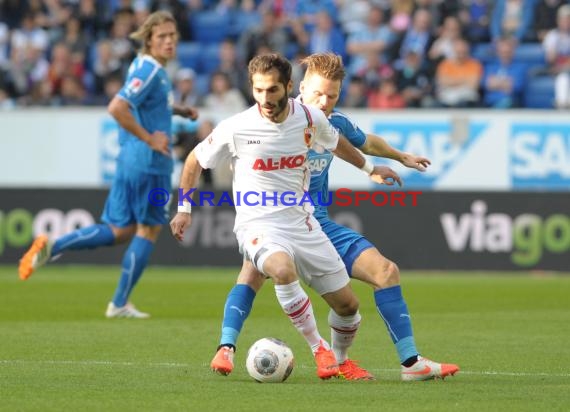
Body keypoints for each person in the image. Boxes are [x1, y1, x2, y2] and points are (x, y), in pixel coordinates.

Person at [210, 53, 460, 381]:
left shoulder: (331, 124)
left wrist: (400, 157)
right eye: (317, 94)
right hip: (272, 219)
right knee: (253, 272)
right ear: (298, 87)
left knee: (386, 272)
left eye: (332, 95)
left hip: (319, 224)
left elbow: (366, 142)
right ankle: (226, 347)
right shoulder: (273, 121)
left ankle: (404, 363)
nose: (324, 101)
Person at [170, 53, 400, 380]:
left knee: (348, 307)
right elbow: (194, 161)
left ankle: (340, 359)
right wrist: (184, 209)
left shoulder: (310, 119)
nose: (265, 98)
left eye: (273, 90)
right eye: (259, 90)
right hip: (258, 223)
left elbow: (338, 145)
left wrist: (370, 168)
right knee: (280, 269)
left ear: (289, 87)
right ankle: (318, 348)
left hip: (303, 223)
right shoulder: (237, 126)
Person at [18, 11, 198, 318]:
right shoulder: (152, 69)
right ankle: (119, 303)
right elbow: (117, 107)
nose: (169, 41)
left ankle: (55, 244)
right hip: (150, 163)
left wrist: (177, 110)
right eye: (162, 37)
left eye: (172, 35)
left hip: (129, 160)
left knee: (119, 230)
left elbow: (145, 103)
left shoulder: (142, 67)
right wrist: (150, 139)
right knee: (149, 230)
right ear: (149, 40)